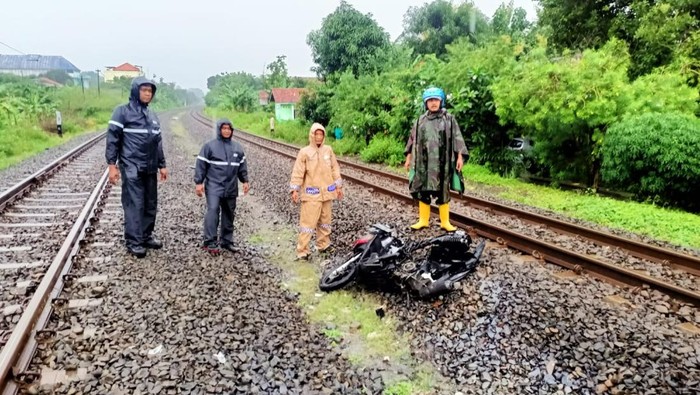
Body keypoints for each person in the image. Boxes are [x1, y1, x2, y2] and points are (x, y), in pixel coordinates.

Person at [105, 76, 167, 258]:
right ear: (135, 91)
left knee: (150, 203)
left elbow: (158, 143)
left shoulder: (153, 116)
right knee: (134, 204)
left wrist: (162, 165)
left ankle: (146, 236)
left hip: (150, 166)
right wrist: (112, 165)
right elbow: (112, 139)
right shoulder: (122, 112)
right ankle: (134, 241)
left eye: (150, 91)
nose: (147, 94)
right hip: (131, 165)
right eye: (144, 90)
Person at [404, 87, 468, 232]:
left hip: (442, 163)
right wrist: (409, 157)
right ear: (426, 103)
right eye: (430, 100)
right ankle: (423, 220)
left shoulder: (449, 119)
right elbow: (412, 140)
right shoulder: (420, 120)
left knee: (443, 189)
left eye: (436, 100)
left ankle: (445, 222)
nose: (433, 103)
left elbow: (458, 138)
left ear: (441, 101)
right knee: (422, 189)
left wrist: (460, 157)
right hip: (423, 163)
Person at [194, 118, 250, 254]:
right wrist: (199, 182)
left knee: (229, 213)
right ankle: (210, 241)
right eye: (224, 128)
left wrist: (245, 181)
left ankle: (227, 240)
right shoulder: (209, 146)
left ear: (232, 131)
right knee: (213, 211)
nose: (226, 131)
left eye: (229, 129)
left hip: (231, 186)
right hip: (214, 186)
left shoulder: (237, 148)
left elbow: (242, 166)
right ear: (219, 130)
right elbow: (201, 165)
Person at [289, 123, 343, 260]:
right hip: (311, 195)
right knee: (307, 224)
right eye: (316, 134)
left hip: (327, 193)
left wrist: (338, 186)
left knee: (325, 222)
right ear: (312, 135)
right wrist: (295, 189)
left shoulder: (328, 150)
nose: (318, 137)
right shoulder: (305, 152)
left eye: (321, 134)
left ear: (324, 136)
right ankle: (303, 250)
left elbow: (335, 169)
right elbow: (298, 172)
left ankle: (323, 245)